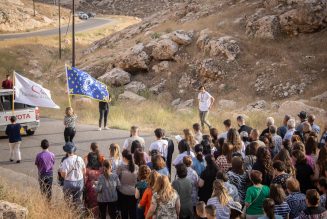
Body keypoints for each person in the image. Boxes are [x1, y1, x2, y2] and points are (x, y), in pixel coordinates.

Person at [59, 142, 86, 207]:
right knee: (77, 199)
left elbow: (64, 175)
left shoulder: (66, 161)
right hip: (79, 182)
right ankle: (78, 212)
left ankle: (70, 212)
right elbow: (84, 171)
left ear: (66, 151)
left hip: (69, 183)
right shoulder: (80, 158)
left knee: (67, 200)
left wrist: (61, 172)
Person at [84, 142, 105, 214]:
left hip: (91, 182)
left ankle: (89, 211)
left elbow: (85, 175)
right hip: (99, 181)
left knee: (88, 194)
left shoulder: (89, 169)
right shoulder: (101, 157)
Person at [117, 150, 138, 219]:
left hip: (123, 192)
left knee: (124, 211)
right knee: (133, 211)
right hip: (133, 192)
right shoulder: (136, 167)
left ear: (124, 158)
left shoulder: (120, 167)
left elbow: (116, 178)